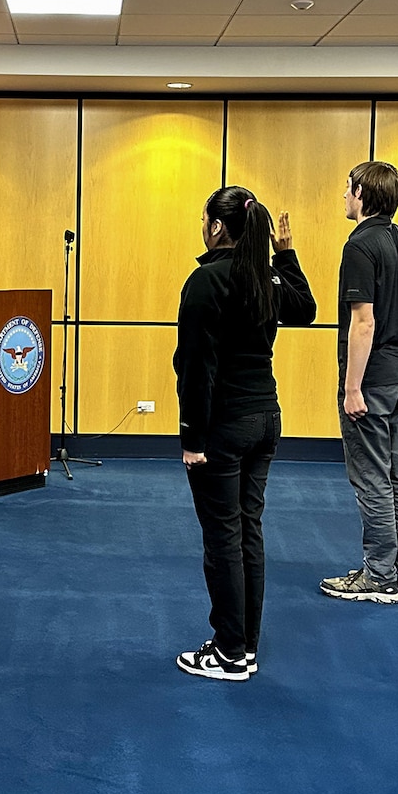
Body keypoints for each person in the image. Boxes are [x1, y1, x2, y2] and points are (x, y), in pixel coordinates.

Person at [174, 186, 316, 681]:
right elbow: (307, 307)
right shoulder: (266, 277)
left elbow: (195, 367)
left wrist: (190, 438)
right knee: (247, 529)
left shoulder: (207, 281)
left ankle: (230, 651)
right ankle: (245, 643)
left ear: (216, 227)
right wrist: (287, 253)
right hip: (265, 421)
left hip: (224, 427)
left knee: (223, 536)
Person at [319, 161, 398, 605]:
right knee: (397, 476)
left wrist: (351, 388)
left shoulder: (360, 246)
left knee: (372, 479)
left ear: (362, 193)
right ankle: (396, 570)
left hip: (374, 378)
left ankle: (379, 574)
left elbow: (362, 322)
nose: (344, 196)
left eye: (348, 189)